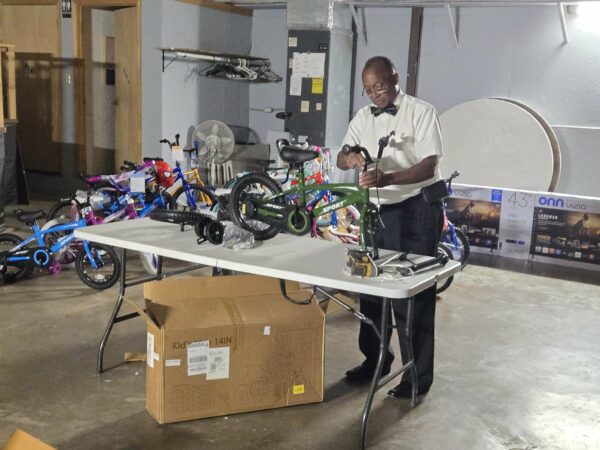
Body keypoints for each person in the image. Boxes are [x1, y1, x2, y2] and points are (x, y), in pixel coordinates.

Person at [337, 56, 444, 399]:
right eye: (368, 90)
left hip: (416, 210)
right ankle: (376, 361)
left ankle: (417, 378)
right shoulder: (362, 117)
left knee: (413, 295)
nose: (374, 94)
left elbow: (429, 165)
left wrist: (388, 178)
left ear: (395, 79)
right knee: (371, 289)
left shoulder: (421, 112)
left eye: (379, 86)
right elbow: (341, 155)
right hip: (376, 212)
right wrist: (351, 158)